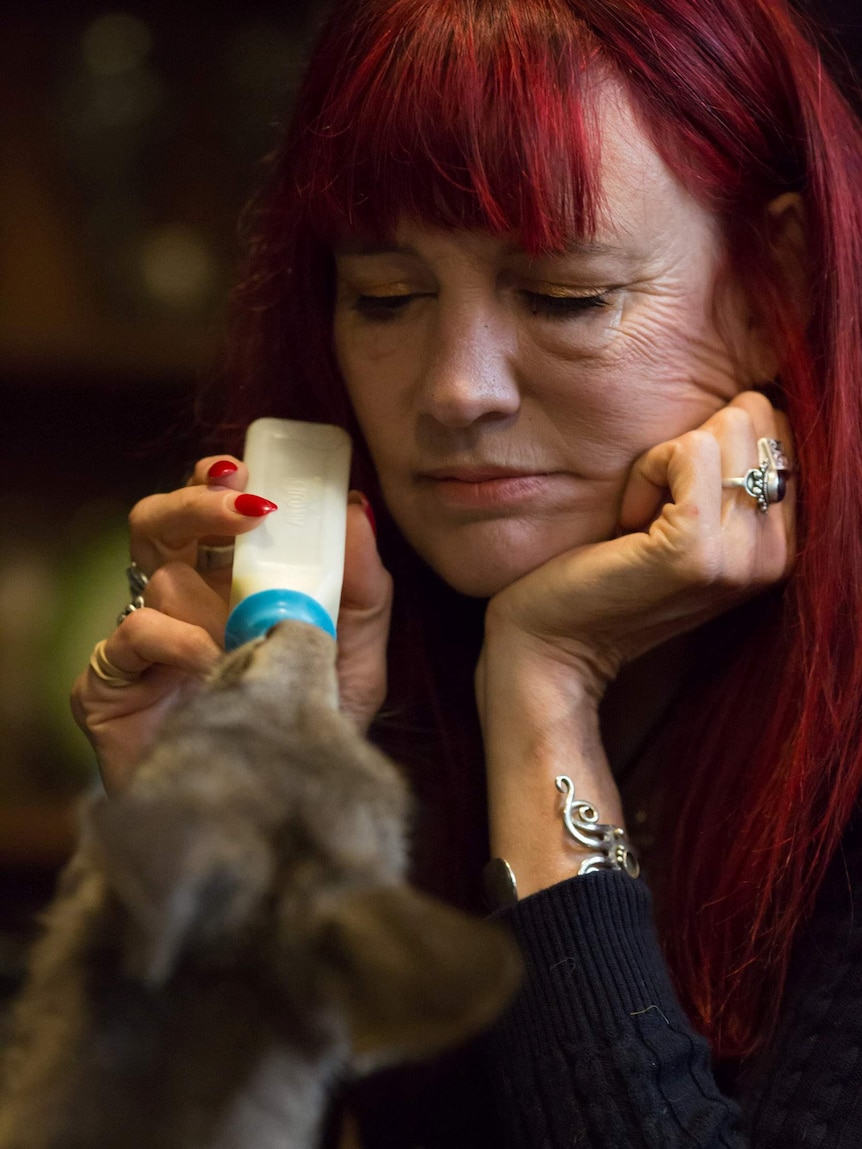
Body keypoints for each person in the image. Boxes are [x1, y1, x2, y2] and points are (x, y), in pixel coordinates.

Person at [71, 0, 862, 1144]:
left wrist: (546, 689)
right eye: (385, 297)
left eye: (564, 297)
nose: (454, 391)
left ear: (768, 286)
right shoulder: (377, 651)